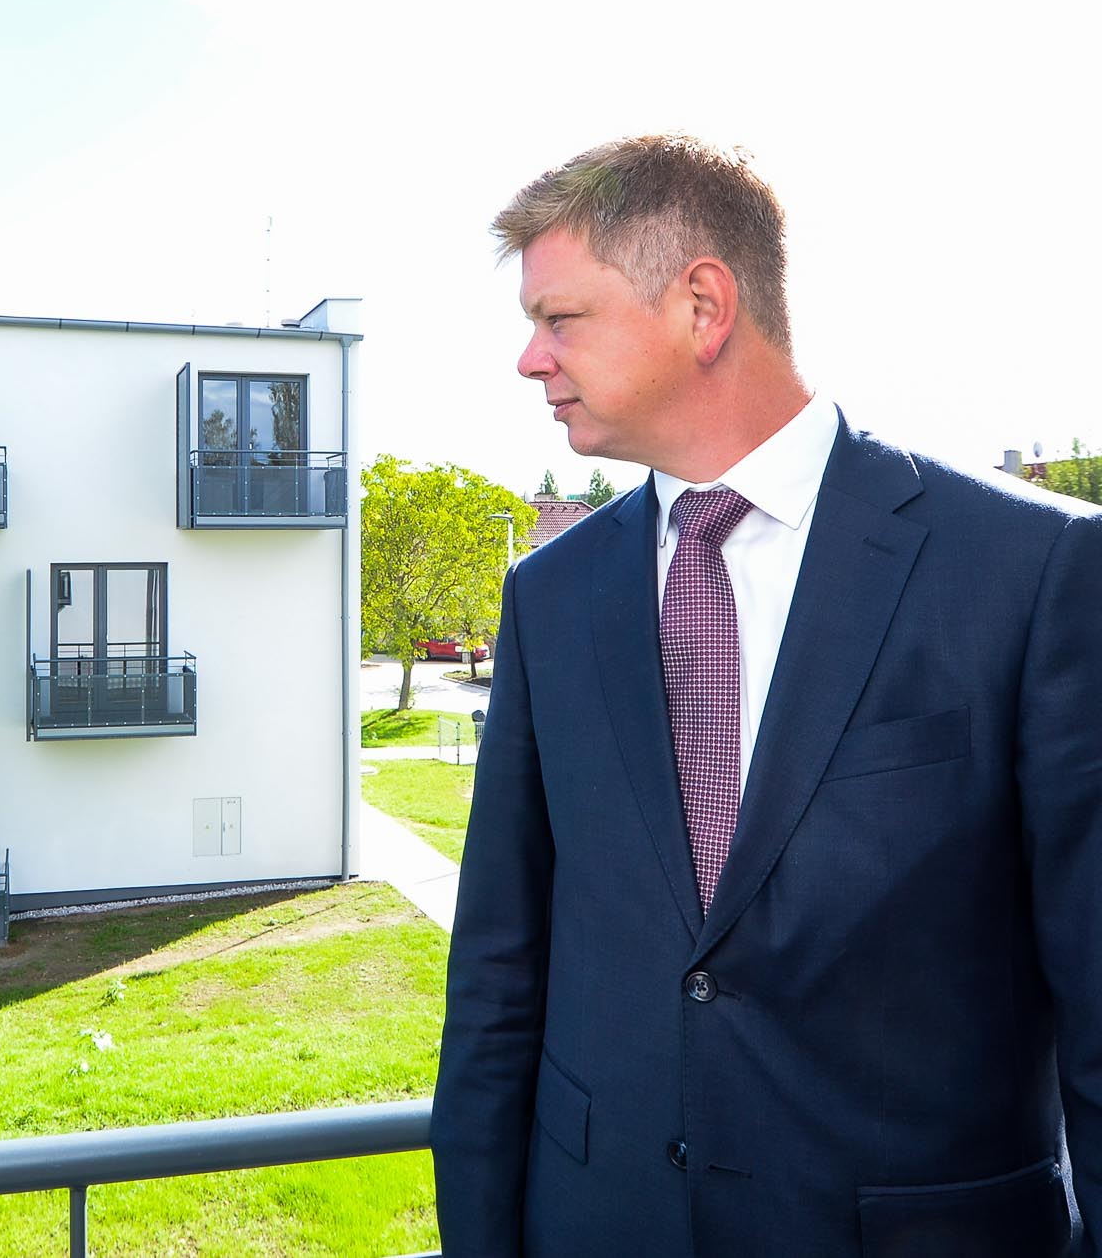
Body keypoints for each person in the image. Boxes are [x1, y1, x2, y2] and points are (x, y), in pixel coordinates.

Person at [428, 135, 1100, 1257]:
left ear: (702, 306)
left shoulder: (1029, 570)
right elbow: (498, 973)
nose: (529, 358)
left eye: (560, 318)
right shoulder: (548, 596)